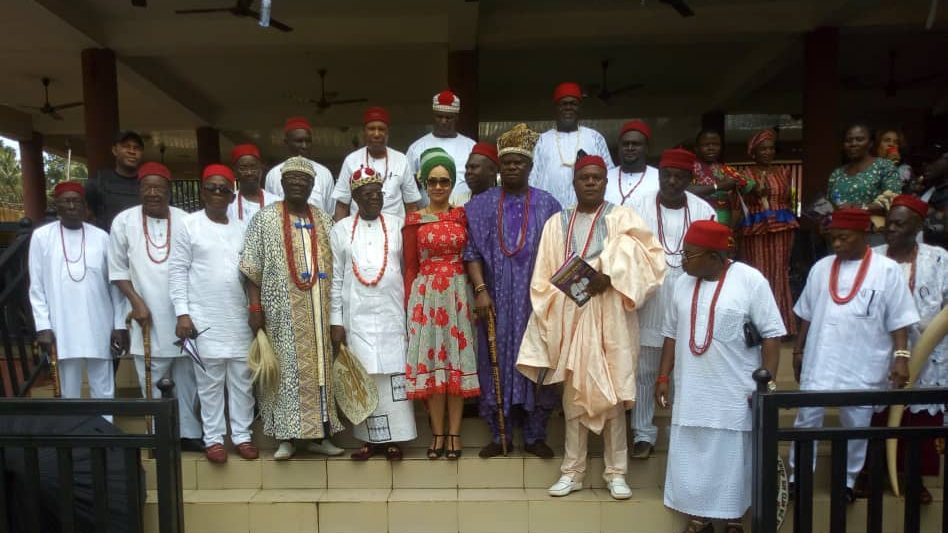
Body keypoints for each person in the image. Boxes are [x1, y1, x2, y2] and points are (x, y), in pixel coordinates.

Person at [517, 154, 665, 500]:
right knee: (574, 398)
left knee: (612, 394)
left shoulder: (623, 218)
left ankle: (616, 472)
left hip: (612, 318)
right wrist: (573, 290)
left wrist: (611, 275)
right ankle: (573, 471)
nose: (591, 183)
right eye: (585, 178)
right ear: (574, 183)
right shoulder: (557, 223)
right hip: (572, 317)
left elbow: (651, 259)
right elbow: (543, 277)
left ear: (605, 181)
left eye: (597, 178)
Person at [657, 220, 785, 533]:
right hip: (691, 391)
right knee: (693, 456)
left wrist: (767, 384)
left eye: (690, 254)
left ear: (714, 257)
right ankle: (698, 517)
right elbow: (671, 334)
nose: (683, 260)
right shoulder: (681, 283)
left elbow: (771, 334)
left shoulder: (750, 280)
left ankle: (731, 519)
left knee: (731, 458)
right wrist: (662, 377)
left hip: (733, 391)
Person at [789, 208, 919, 501]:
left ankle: (846, 482)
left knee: (857, 424)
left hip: (863, 359)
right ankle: (799, 479)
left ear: (863, 236)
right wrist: (798, 348)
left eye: (843, 238)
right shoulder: (821, 267)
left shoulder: (887, 270)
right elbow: (807, 313)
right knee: (806, 419)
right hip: (820, 357)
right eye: (833, 239)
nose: (836, 244)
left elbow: (900, 319)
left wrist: (901, 357)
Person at [464, 124, 562, 459]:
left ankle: (535, 435)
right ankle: (498, 433)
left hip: (536, 301)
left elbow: (561, 254)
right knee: (494, 360)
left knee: (538, 360)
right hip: (494, 298)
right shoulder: (480, 206)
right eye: (506, 162)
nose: (512, 167)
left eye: (519, 162)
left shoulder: (549, 205)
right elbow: (472, 251)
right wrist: (480, 289)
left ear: (530, 166)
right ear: (498, 167)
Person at [240, 156, 344, 460]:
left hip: (319, 316)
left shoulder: (324, 220)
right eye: (292, 180)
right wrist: (255, 307)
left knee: (320, 375)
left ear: (312, 186)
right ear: (282, 184)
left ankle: (320, 436)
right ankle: (285, 438)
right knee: (284, 374)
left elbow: (338, 269)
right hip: (280, 316)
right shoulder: (264, 219)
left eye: (304, 181)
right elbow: (251, 268)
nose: (298, 184)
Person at [628, 148, 716, 459]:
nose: (673, 182)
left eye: (680, 177)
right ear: (660, 174)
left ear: (691, 179)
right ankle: (643, 433)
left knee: (688, 369)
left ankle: (683, 432)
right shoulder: (637, 206)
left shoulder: (704, 210)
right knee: (645, 370)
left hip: (692, 297)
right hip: (650, 300)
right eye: (667, 175)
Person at [109, 162, 202, 449]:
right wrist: (136, 303)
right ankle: (158, 435)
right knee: (151, 377)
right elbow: (118, 271)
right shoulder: (123, 221)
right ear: (138, 189)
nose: (152, 193)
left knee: (187, 377)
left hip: (183, 315)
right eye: (146, 187)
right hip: (145, 317)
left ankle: (189, 434)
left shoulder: (186, 220)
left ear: (169, 191)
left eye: (159, 188)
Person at [169, 164, 258, 463]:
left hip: (238, 317)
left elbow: (251, 272)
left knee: (242, 382)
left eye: (224, 189)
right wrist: (183, 314)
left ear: (232, 197)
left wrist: (256, 309)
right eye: (212, 188)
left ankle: (243, 436)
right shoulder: (188, 225)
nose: (218, 194)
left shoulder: (243, 228)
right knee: (209, 384)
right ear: (202, 192)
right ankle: (214, 439)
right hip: (203, 319)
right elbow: (178, 272)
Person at [330, 167, 418, 461]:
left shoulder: (397, 225)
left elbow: (409, 269)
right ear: (354, 197)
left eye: (378, 194)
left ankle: (396, 439)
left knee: (393, 375)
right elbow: (336, 280)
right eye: (367, 195)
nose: (374, 199)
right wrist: (336, 321)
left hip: (392, 314)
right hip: (357, 317)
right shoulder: (341, 229)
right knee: (364, 374)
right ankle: (369, 441)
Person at [870, 195, 947, 503]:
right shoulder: (871, 256)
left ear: (918, 226)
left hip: (929, 351)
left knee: (920, 415)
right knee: (876, 411)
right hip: (878, 349)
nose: (891, 229)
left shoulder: (939, 258)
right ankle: (872, 473)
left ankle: (914, 478)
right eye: (889, 223)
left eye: (900, 224)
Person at [403, 148, 479, 460]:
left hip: (458, 296)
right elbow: (410, 266)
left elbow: (472, 255)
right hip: (426, 298)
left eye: (444, 181)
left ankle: (455, 435)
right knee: (433, 370)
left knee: (456, 368)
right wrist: (410, 306)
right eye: (432, 181)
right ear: (423, 183)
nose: (438, 187)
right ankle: (436, 434)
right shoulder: (414, 221)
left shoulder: (462, 216)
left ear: (452, 182)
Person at [29, 181, 126, 400]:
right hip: (61, 326)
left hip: (99, 323)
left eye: (77, 201)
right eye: (66, 201)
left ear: (85, 206)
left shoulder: (101, 236)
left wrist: (119, 325)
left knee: (103, 388)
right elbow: (36, 287)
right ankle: (72, 432)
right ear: (57, 205)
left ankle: (105, 432)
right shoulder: (42, 237)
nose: (72, 206)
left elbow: (114, 285)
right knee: (67, 390)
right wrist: (43, 326)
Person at [739, 129, 799, 335]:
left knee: (780, 273)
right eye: (762, 148)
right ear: (753, 152)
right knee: (759, 273)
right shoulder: (745, 175)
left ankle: (782, 326)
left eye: (771, 148)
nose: (767, 152)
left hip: (782, 225)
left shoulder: (783, 171)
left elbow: (788, 200)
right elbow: (739, 202)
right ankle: (759, 328)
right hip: (756, 228)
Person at [530, 82, 614, 208]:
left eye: (573, 104)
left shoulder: (595, 138)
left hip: (589, 211)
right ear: (556, 107)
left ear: (579, 108)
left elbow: (609, 175)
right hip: (549, 213)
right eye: (563, 104)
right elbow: (532, 179)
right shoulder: (543, 140)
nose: (568, 107)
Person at [333, 107, 422, 221]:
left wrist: (410, 235)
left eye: (381, 129)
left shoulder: (401, 159)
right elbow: (342, 204)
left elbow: (411, 205)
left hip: (394, 232)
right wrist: (339, 234)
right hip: (360, 232)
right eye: (371, 129)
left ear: (387, 132)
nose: (376, 134)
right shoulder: (351, 160)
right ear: (364, 132)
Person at [827, 123, 902, 240]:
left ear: (870, 143)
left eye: (859, 139)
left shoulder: (884, 167)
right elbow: (830, 205)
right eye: (848, 140)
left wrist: (857, 208)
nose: (853, 144)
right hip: (840, 238)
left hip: (872, 235)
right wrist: (825, 220)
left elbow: (891, 200)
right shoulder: (837, 174)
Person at [405, 90, 477, 205]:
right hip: (428, 216)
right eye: (439, 116)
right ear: (433, 116)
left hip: (464, 213)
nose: (444, 121)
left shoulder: (471, 146)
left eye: (449, 117)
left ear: (457, 117)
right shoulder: (416, 147)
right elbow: (409, 185)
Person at [263, 117, 335, 213]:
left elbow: (330, 212)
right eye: (299, 141)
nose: (304, 146)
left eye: (308, 141)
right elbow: (270, 210)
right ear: (286, 143)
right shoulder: (273, 174)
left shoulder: (324, 173)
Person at [688, 129, 755, 228]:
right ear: (696, 148)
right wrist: (720, 186)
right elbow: (687, 190)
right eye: (706, 145)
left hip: (724, 224)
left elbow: (749, 186)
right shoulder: (689, 169)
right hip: (699, 221)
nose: (711, 148)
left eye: (716, 145)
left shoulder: (726, 170)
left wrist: (752, 186)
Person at [86, 130, 144, 231]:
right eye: (126, 146)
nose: (132, 151)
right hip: (108, 242)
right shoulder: (98, 182)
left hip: (140, 243)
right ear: (115, 151)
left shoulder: (147, 184)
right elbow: (87, 215)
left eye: (136, 148)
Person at [604, 120, 659, 208]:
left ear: (647, 148)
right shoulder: (605, 177)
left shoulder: (660, 178)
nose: (630, 148)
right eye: (625, 144)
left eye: (636, 144)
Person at [228, 143, 281, 228]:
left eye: (253, 167)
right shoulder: (228, 203)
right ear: (234, 171)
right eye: (243, 168)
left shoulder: (277, 203)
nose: (249, 172)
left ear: (261, 168)